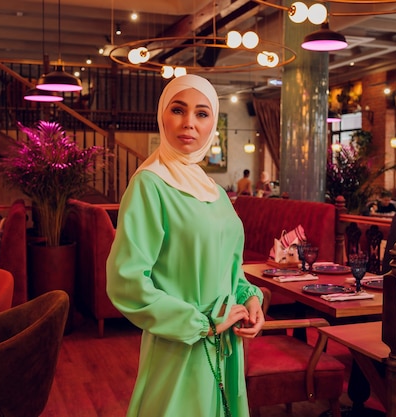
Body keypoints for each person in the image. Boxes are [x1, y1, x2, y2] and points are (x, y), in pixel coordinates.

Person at [106, 74, 264, 417]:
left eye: (202, 113)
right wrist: (200, 324)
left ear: (214, 124)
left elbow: (230, 271)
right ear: (162, 115)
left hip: (227, 347)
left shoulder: (217, 193)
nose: (189, 123)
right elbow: (126, 281)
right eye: (178, 109)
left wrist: (249, 298)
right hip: (180, 346)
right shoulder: (150, 185)